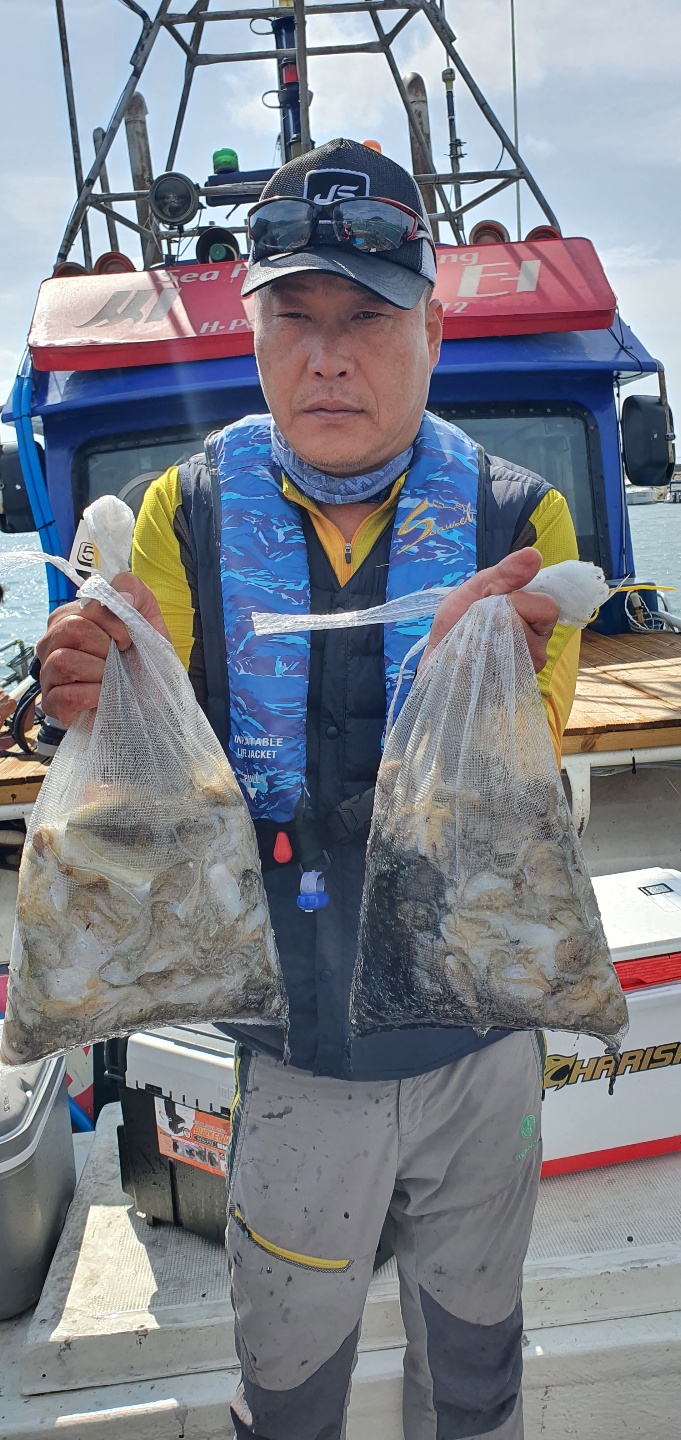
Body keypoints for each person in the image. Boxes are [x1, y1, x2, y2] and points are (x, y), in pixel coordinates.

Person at [38, 138, 581, 1440]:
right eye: (296, 314)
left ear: (430, 330)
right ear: (256, 331)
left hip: (480, 1045)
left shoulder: (524, 522)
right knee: (286, 1387)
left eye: (369, 316)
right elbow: (147, 749)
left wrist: (493, 670)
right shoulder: (182, 512)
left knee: (478, 1369)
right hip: (296, 1053)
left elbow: (519, 778)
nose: (329, 355)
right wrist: (84, 687)